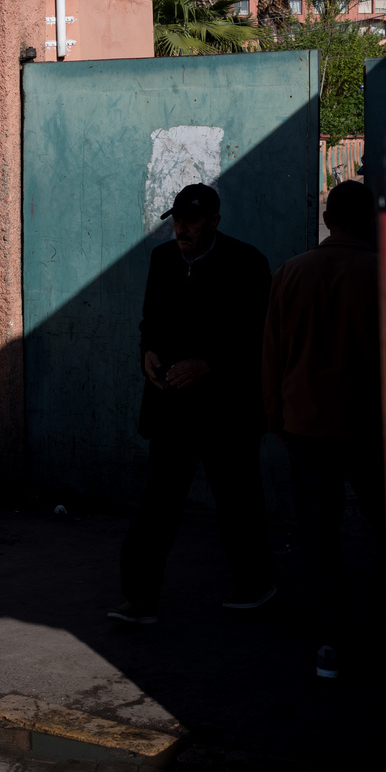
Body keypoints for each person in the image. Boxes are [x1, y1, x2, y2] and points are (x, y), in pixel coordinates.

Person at [111, 184, 276, 624]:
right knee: (159, 501)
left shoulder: (247, 263)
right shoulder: (162, 260)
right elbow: (150, 322)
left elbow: (259, 337)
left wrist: (209, 365)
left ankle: (256, 584)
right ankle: (139, 597)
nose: (182, 228)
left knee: (237, 499)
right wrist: (147, 352)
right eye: (178, 219)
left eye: (193, 220)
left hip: (228, 410)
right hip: (172, 406)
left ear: (215, 221)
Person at [262, 180, 385, 680]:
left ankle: (330, 642)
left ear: (329, 219)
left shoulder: (291, 272)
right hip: (371, 428)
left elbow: (272, 354)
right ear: (369, 219)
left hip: (307, 426)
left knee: (319, 535)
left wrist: (276, 418)